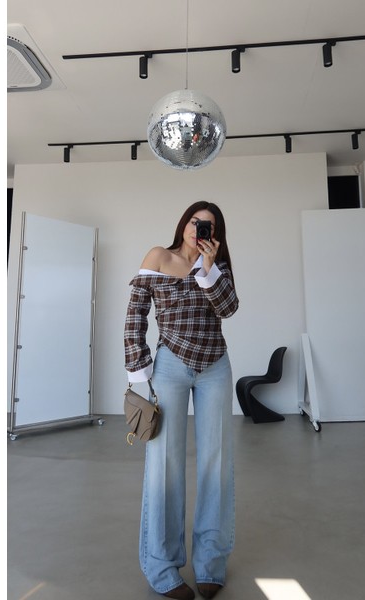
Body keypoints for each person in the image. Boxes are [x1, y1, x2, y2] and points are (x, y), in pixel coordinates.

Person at [124, 201, 239, 600]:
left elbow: (229, 309)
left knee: (216, 463)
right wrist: (138, 371)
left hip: (216, 367)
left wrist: (209, 269)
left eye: (208, 226)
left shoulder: (217, 267)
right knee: (164, 465)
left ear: (215, 235)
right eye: (195, 221)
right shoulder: (159, 256)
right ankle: (161, 565)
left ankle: (211, 563)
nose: (199, 229)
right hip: (170, 364)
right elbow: (135, 315)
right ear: (184, 223)